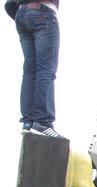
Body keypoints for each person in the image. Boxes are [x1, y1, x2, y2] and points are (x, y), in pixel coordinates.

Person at [5, 0, 63, 137]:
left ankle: (28, 122)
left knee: (30, 72)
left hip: (21, 14)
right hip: (42, 12)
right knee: (46, 71)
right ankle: (43, 123)